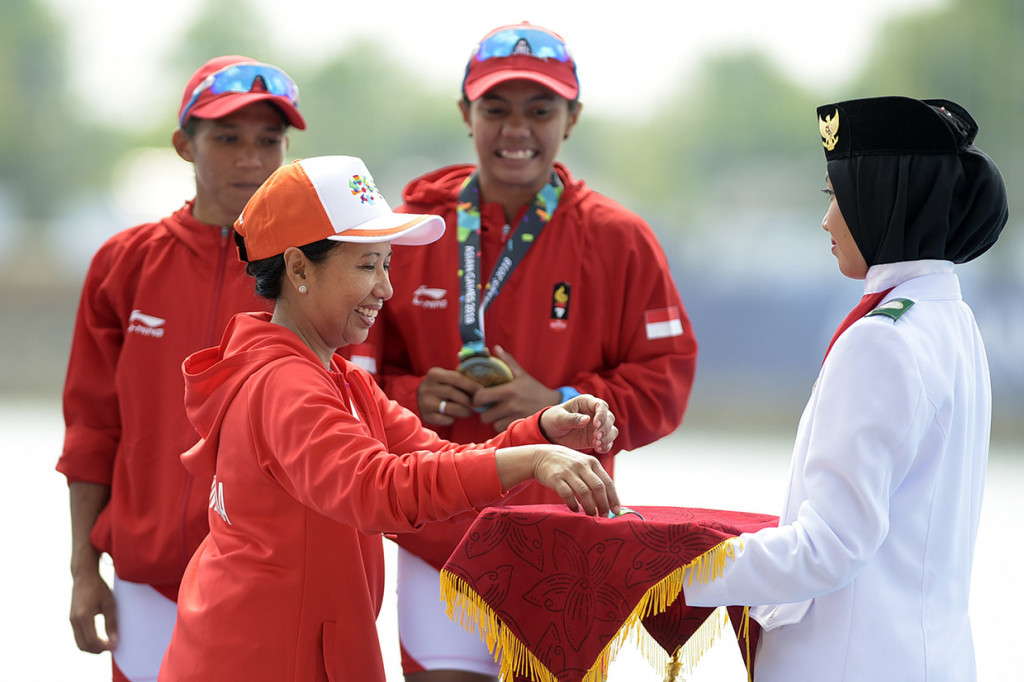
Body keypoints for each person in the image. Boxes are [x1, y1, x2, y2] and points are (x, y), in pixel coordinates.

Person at [155, 155, 621, 682]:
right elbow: (380, 490)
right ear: (299, 268)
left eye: (386, 264)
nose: (386, 289)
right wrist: (532, 460)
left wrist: (539, 432)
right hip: (260, 659)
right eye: (365, 266)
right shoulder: (287, 384)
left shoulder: (336, 377)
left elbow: (432, 458)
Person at [338, 22, 698, 682]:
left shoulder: (620, 238)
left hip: (564, 533)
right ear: (464, 113)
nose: (516, 130)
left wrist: (559, 400)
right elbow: (346, 373)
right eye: (495, 109)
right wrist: (411, 394)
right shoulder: (410, 229)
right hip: (437, 533)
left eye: (540, 111)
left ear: (573, 118)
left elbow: (666, 382)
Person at [682, 96, 1008, 681]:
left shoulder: (881, 340)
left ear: (882, 198)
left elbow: (827, 547)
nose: (826, 220)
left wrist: (666, 569)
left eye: (835, 196)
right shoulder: (951, 321)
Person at [57, 55, 306, 681]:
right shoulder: (123, 264)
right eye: (227, 138)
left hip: (269, 582)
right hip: (145, 581)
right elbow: (90, 433)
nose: (250, 158)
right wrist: (85, 572)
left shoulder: (312, 272)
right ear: (183, 144)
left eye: (268, 140)